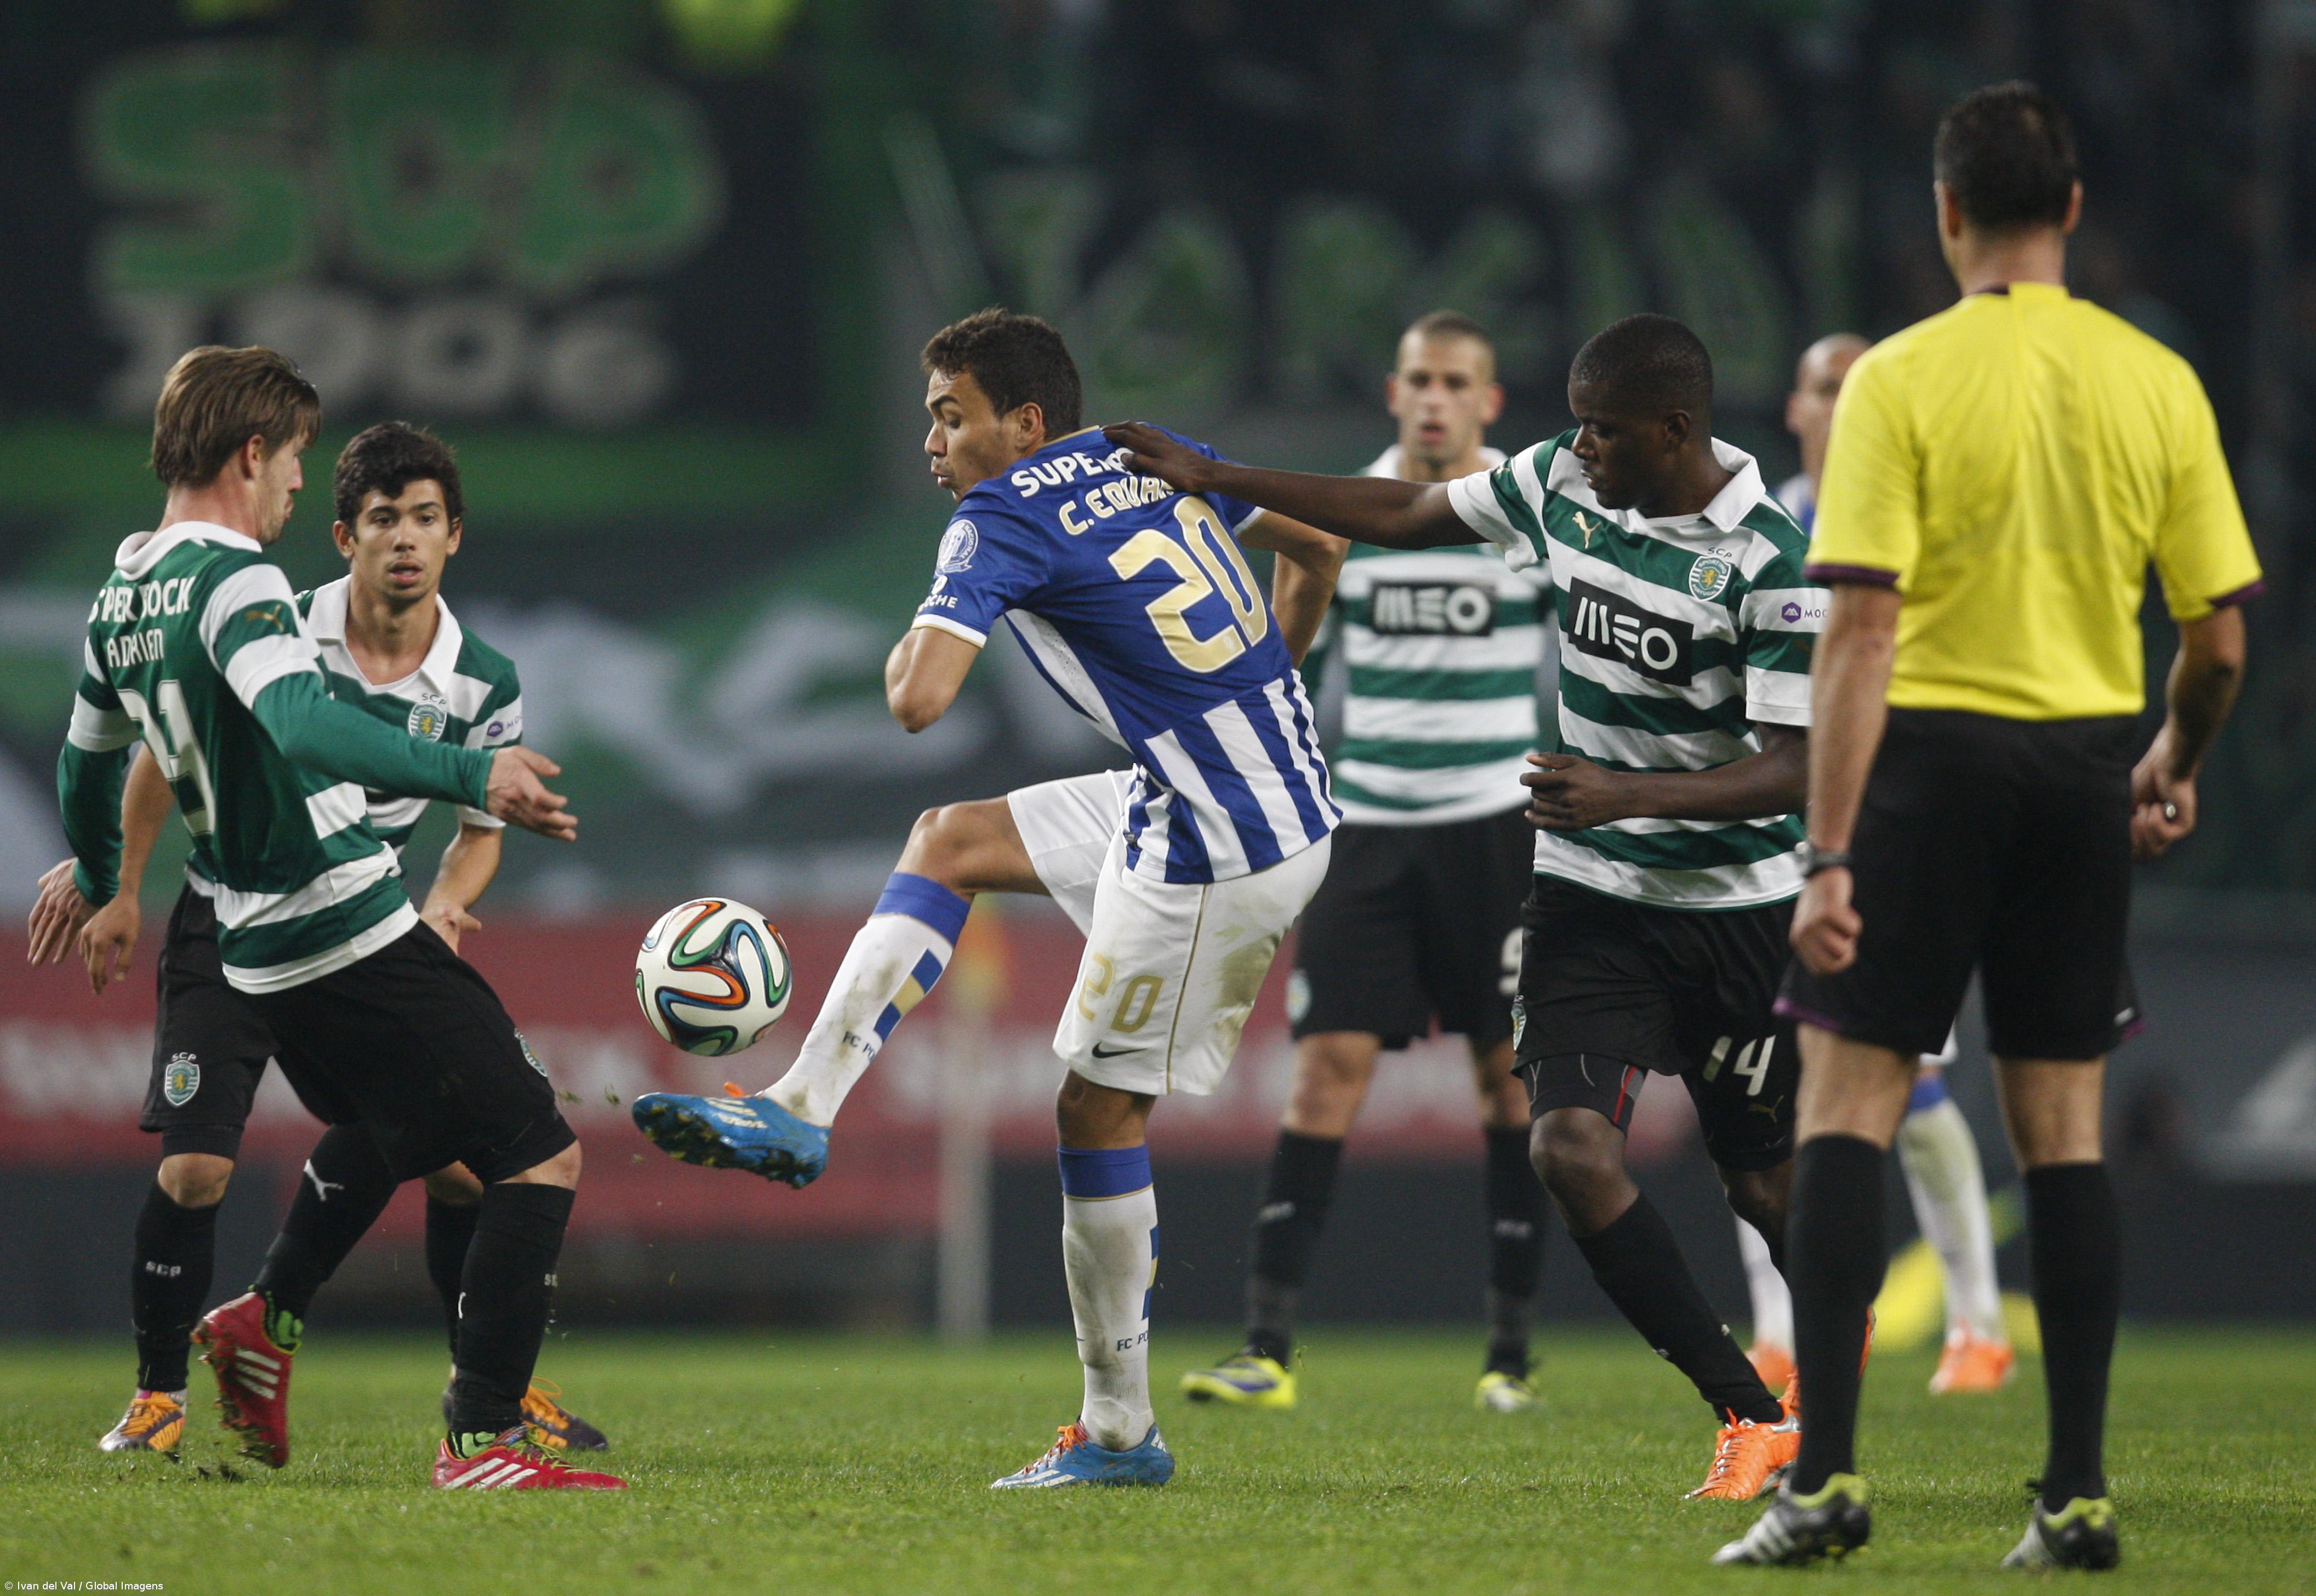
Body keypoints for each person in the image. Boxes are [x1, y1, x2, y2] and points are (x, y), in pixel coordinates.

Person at [1107, 310, 1827, 1503]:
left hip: (1739, 905)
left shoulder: (1768, 560)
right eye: (1575, 426)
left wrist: (1625, 790)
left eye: (1602, 431)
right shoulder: (1560, 483)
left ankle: (1834, 1391)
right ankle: (1750, 1412)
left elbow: (1797, 764)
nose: (1577, 447)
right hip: (1590, 891)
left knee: (1763, 1188)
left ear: (1674, 428)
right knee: (1567, 1145)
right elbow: (1398, 514)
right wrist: (1213, 473)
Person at [631, 309, 1347, 1488]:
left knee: (1095, 1115)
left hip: (1224, 840)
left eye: (947, 414)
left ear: (1020, 424)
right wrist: (1266, 677)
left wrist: (945, 585)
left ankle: (1118, 1434)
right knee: (951, 838)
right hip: (1234, 786)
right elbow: (1318, 546)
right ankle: (802, 1105)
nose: (931, 440)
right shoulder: (1141, 444)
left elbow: (917, 699)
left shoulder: (1000, 514)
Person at [1719, 84, 2260, 1569]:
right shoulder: (2158, 379)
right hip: (2084, 770)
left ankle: (1822, 1484)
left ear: (1944, 215)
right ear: (2072, 211)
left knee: (1844, 1108)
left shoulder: (1895, 379)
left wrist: (1827, 856)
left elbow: (1861, 635)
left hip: (1928, 770)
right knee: (2063, 1135)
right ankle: (2073, 1496)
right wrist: (2169, 759)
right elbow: (2217, 642)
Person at [43, 346, 621, 1491]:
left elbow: (84, 763)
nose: (299, 486)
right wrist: (473, 773)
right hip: (332, 916)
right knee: (539, 1153)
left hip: (266, 938)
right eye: (302, 461)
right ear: (255, 453)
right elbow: (304, 728)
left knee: (439, 1150)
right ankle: (482, 1436)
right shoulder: (247, 583)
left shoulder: (123, 589)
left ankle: (273, 1322)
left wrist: (100, 864)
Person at [1179, 311, 1553, 1416]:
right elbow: (1288, 657)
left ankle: (1509, 1355)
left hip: (1496, 828)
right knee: (1325, 1069)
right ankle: (1267, 1347)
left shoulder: (1528, 523)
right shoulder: (1346, 514)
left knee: (1509, 1080)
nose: (1435, 398)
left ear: (1487, 402)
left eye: (1456, 382)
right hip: (1372, 829)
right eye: (1419, 380)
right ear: (1394, 393)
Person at [1733, 334, 2014, 1398]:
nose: (1841, 405)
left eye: (1859, 388)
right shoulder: (1759, 531)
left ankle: (1976, 1322)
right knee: (1755, 1082)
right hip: (1767, 830)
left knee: (1915, 1079)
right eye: (1822, 387)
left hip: (1890, 828)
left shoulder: (1918, 521)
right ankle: (1776, 1328)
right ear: (1795, 409)